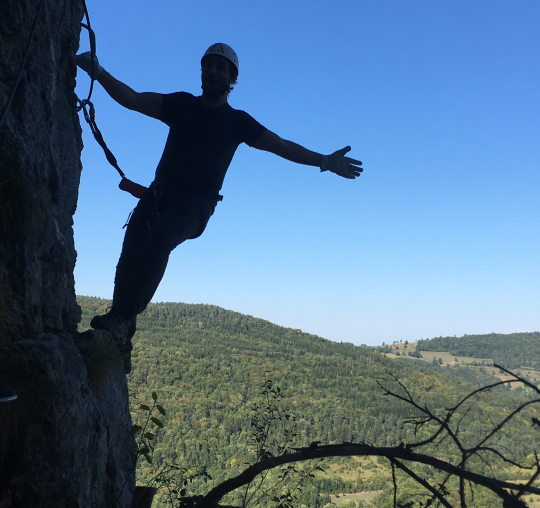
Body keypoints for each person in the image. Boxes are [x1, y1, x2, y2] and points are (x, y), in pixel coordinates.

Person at [75, 43, 362, 370]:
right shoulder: (181, 104)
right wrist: (98, 73)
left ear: (232, 78)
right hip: (158, 196)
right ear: (202, 71)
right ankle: (122, 337)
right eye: (208, 65)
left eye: (221, 67)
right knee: (129, 259)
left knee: (160, 239)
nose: (213, 71)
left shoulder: (237, 122)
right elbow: (134, 99)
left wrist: (324, 161)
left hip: (195, 205)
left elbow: (281, 146)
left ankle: (122, 318)